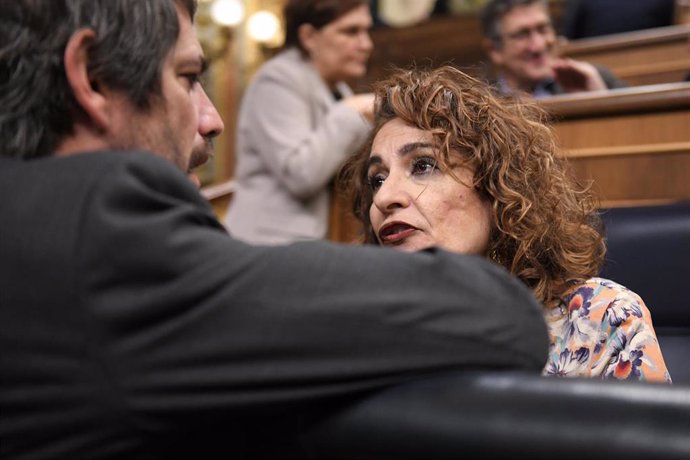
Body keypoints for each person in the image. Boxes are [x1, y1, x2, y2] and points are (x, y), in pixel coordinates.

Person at [0, 1, 550, 458]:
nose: (212, 119)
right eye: (188, 78)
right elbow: (497, 316)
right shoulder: (98, 229)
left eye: (422, 166)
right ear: (93, 79)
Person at [340, 65, 671, 382]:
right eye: (377, 179)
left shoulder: (599, 318)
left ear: (495, 187)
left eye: (423, 165)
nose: (383, 198)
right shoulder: (366, 332)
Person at [225, 0, 376, 244]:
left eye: (366, 30)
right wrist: (351, 110)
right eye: (351, 31)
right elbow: (301, 174)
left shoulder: (337, 88)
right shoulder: (277, 79)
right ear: (308, 37)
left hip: (310, 245)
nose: (366, 44)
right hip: (265, 246)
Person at [479, 0, 627, 97]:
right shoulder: (481, 107)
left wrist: (598, 99)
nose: (538, 45)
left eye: (543, 29)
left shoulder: (594, 78)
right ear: (494, 50)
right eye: (522, 35)